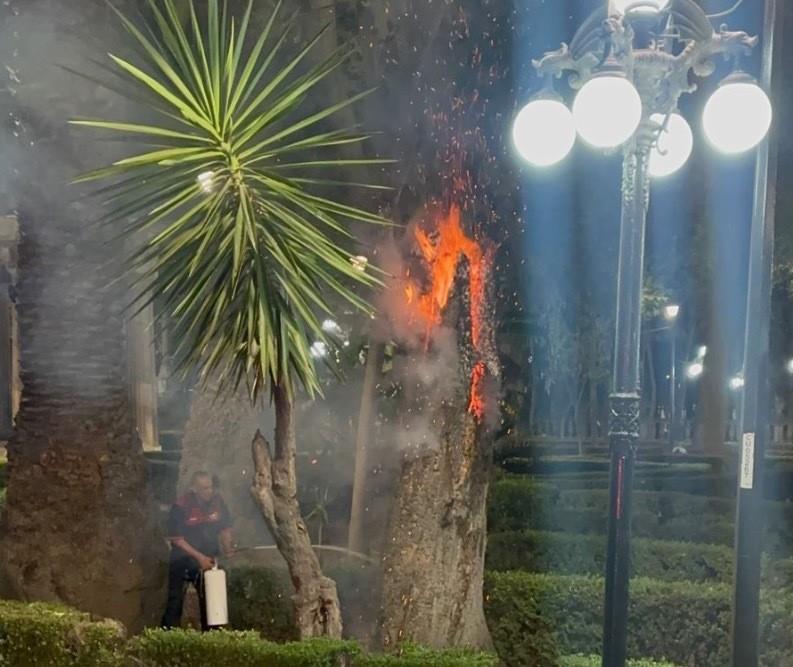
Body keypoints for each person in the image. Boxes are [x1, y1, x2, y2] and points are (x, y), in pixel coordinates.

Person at [161, 471, 234, 630]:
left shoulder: (217, 502)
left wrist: (228, 547)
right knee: (175, 600)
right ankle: (168, 634)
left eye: (210, 487)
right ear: (194, 489)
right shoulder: (181, 506)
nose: (209, 491)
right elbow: (178, 540)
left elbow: (225, 527)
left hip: (208, 559)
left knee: (211, 600)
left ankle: (212, 637)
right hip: (183, 559)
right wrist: (199, 558)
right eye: (204, 488)